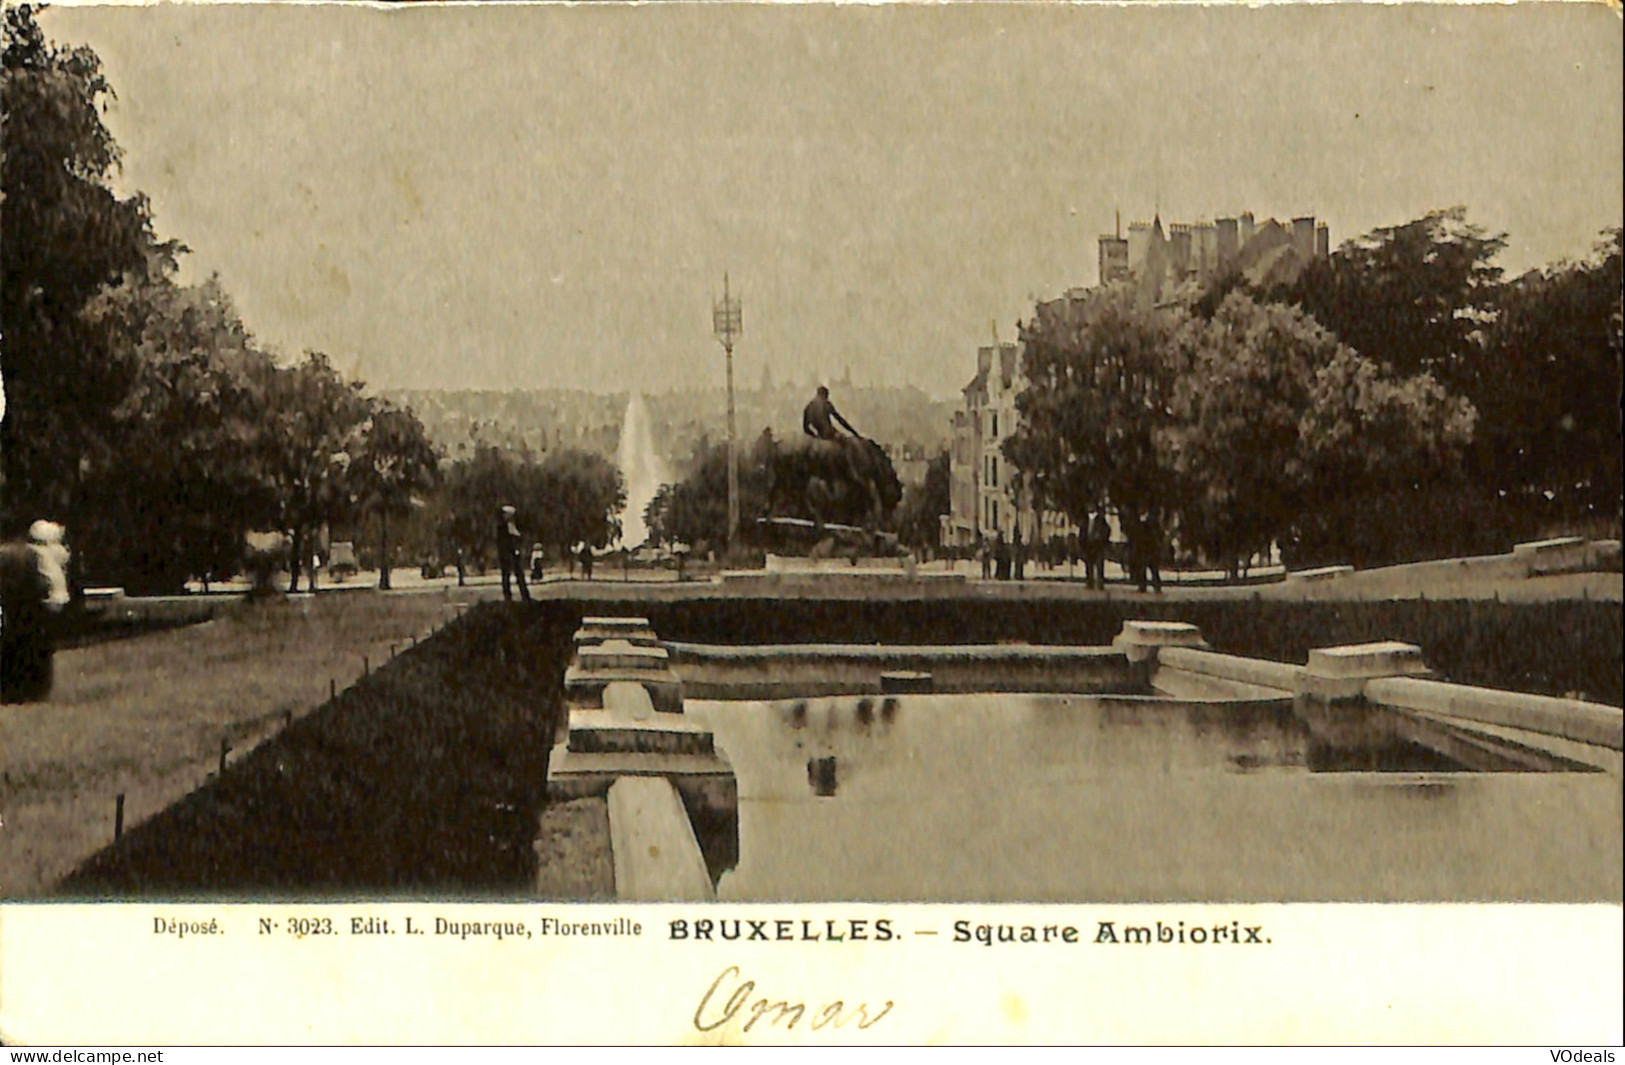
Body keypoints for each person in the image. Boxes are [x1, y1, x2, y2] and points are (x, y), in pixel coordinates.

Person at [495, 505, 530, 602]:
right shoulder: (502, 528)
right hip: (506, 555)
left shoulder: (513, 526)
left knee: (519, 574)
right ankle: (508, 597)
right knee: (507, 576)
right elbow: (502, 543)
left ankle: (524, 595)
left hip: (514, 554)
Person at [1084, 508, 1111, 591]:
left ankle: (1100, 583)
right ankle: (1090, 582)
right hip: (1088, 545)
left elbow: (1107, 530)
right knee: (1088, 565)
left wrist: (1103, 540)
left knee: (1099, 565)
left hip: (1098, 545)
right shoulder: (1085, 519)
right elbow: (1083, 531)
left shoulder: (1100, 519)